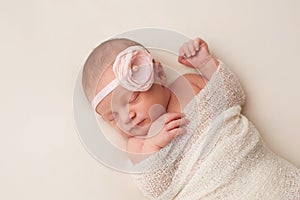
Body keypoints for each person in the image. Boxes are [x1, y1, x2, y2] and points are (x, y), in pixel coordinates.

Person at [82, 37, 299, 199]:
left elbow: (233, 95)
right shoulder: (139, 145)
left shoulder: (190, 84)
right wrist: (154, 146)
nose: (127, 116)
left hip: (260, 170)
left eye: (133, 99)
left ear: (157, 73)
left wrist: (204, 63)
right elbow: (158, 190)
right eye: (113, 117)